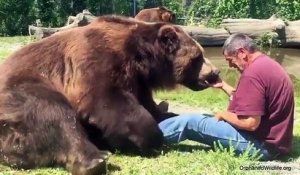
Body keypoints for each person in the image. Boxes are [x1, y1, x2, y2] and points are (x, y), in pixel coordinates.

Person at [158, 33, 294, 160]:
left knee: (190, 122)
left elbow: (250, 123)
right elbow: (252, 101)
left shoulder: (253, 74)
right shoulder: (267, 64)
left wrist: (224, 115)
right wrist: (223, 85)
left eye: (230, 60)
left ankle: (145, 137)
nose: (230, 65)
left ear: (242, 53)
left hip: (260, 146)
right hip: (276, 144)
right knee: (204, 117)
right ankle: (153, 126)